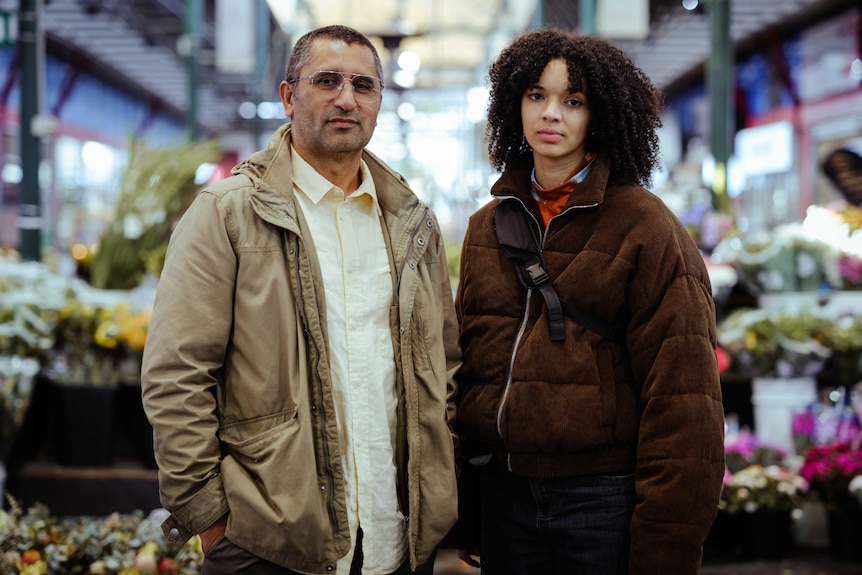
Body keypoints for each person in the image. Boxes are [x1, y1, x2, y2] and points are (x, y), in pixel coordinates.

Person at [141, 24, 461, 575]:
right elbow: (177, 373)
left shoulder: (411, 224)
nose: (346, 98)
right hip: (267, 539)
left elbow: (446, 364)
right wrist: (210, 519)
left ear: (379, 102)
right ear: (289, 96)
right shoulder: (228, 214)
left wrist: (438, 477)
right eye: (327, 80)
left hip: (395, 535)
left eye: (364, 85)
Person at [454, 28, 725, 574]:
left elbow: (685, 402)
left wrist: (666, 546)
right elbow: (470, 368)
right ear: (514, 104)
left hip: (603, 500)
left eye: (572, 101)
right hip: (506, 495)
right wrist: (470, 504)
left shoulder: (645, 227)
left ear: (599, 114)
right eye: (536, 95)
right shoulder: (488, 225)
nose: (551, 113)